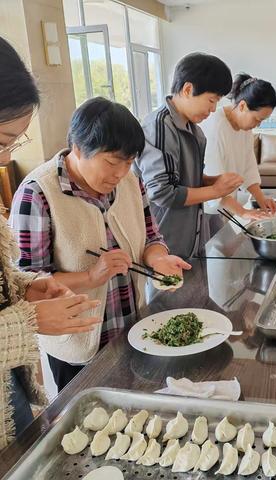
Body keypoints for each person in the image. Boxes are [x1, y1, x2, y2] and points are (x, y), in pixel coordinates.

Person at [10, 97, 190, 391]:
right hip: (79, 344)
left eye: (129, 162)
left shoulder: (130, 182)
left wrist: (159, 260)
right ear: (78, 149)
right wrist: (91, 277)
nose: (120, 173)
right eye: (111, 161)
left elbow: (151, 237)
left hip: (133, 329)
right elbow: (28, 283)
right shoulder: (38, 194)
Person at [0, 37, 101, 450]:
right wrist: (27, 320)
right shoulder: (38, 190)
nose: (5, 158)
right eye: (2, 140)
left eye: (11, 144)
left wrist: (22, 286)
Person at [134, 52, 244, 258]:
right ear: (187, 89)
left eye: (217, 102)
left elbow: (185, 180)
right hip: (164, 244)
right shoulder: (160, 128)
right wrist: (215, 190)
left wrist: (214, 181)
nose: (212, 109)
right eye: (211, 100)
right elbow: (162, 192)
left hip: (191, 238)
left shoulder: (194, 130)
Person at [202, 73, 276, 219]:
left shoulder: (245, 129)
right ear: (242, 105)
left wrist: (261, 199)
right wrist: (243, 212)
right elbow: (213, 184)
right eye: (257, 119)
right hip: (208, 209)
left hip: (227, 204)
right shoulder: (216, 127)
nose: (258, 124)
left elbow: (248, 168)